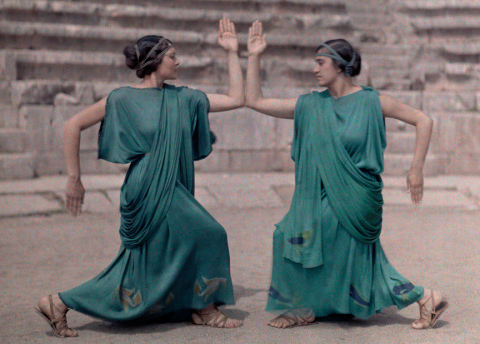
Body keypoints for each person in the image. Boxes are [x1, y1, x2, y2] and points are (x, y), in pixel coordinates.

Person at [35, 18, 245, 338]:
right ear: (155, 61)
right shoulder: (121, 98)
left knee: (144, 262)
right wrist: (74, 179)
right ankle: (205, 309)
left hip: (170, 185)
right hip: (146, 186)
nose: (178, 61)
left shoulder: (184, 97)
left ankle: (58, 303)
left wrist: (233, 52)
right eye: (172, 55)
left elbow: (236, 99)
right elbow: (71, 125)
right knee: (210, 234)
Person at [245, 21, 448, 329]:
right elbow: (256, 101)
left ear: (339, 66)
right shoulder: (311, 104)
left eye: (320, 63)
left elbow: (424, 120)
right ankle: (423, 298)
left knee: (303, 236)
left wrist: (416, 169)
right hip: (327, 194)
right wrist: (254, 56)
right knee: (313, 241)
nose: (315, 69)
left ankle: (307, 307)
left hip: (357, 195)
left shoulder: (372, 101)